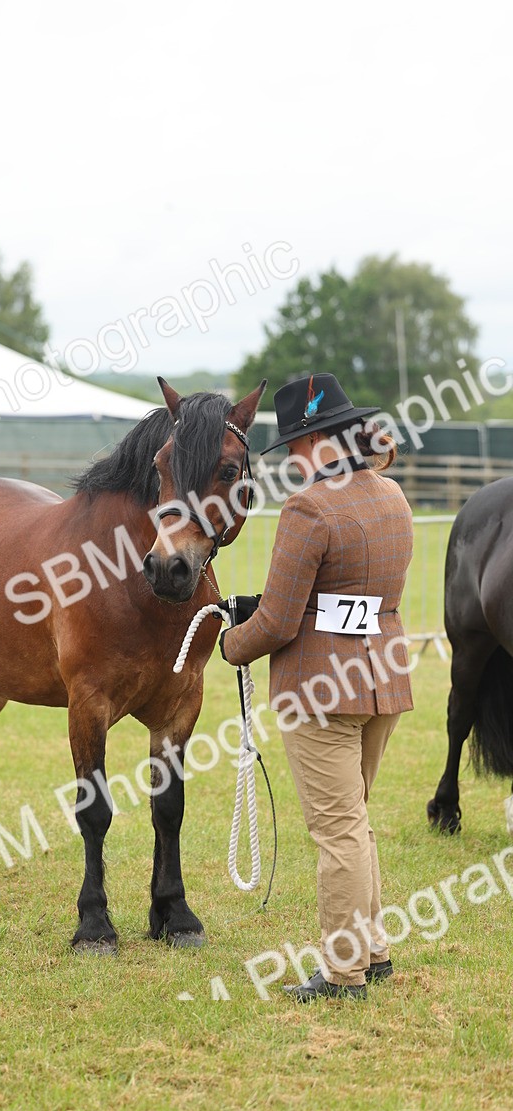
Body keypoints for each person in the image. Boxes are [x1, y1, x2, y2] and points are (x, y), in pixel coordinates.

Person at [219, 373, 414, 1002]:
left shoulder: (309, 508)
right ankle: (373, 951)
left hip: (321, 691)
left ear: (319, 442)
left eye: (298, 444)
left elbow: (276, 622)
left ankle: (342, 972)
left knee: (337, 832)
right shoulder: (392, 496)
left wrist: (232, 643)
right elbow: (352, 598)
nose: (296, 458)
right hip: (383, 678)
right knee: (354, 822)